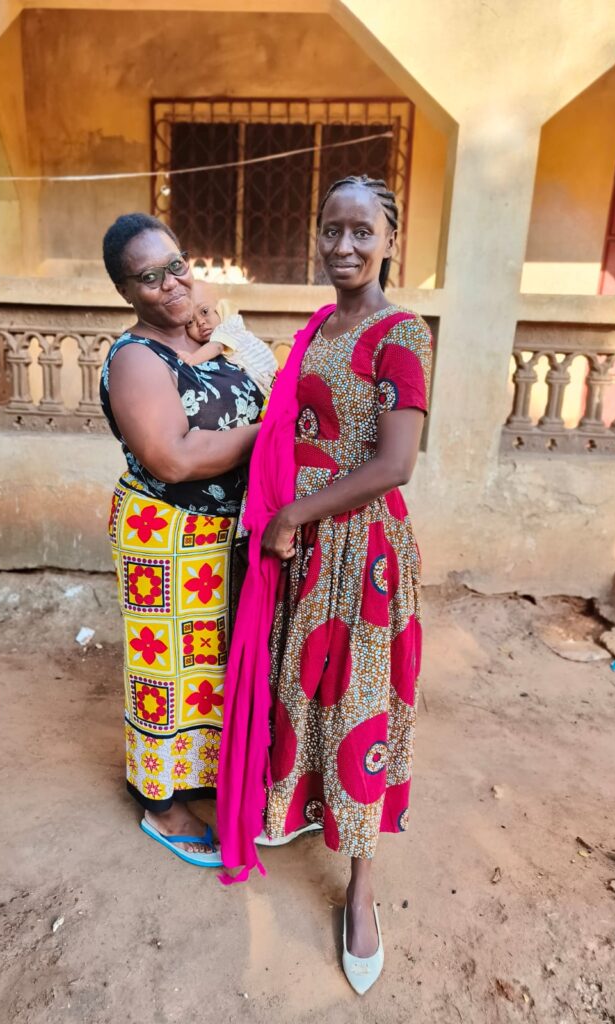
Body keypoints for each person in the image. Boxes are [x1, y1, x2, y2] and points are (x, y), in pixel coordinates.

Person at [217, 176, 432, 994]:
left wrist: (292, 513)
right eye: (331, 229)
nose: (343, 246)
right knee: (303, 689)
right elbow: (290, 423)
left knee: (359, 708)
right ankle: (299, 810)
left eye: (361, 231)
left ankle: (361, 889)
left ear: (390, 241)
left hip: (361, 550)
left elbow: (395, 463)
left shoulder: (400, 334)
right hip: (305, 547)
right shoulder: (319, 329)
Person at [99, 213, 263, 868]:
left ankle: (209, 777)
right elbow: (173, 457)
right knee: (167, 673)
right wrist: (270, 433)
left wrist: (215, 336)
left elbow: (258, 379)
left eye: (176, 265)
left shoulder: (207, 331)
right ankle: (161, 805)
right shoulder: (135, 360)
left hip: (227, 532)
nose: (170, 283)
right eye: (149, 277)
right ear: (125, 291)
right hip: (168, 537)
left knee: (216, 667)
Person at [178, 280, 278, 397]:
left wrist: (193, 358)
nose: (200, 322)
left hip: (271, 381)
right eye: (190, 322)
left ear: (220, 308)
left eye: (205, 311)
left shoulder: (228, 326)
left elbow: (217, 346)